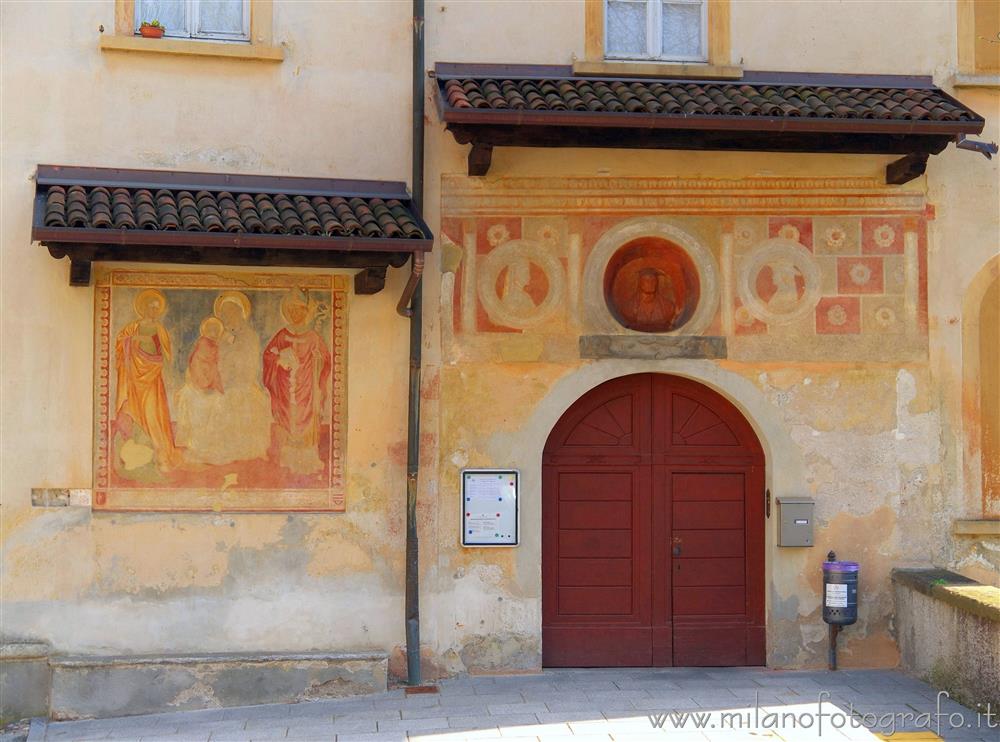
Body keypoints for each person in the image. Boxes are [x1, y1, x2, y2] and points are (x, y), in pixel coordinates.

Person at [262, 288, 331, 476]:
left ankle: (308, 458)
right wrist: (278, 361)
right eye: (291, 310)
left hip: (307, 388)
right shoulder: (282, 335)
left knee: (307, 417)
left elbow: (325, 360)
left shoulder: (313, 337)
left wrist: (319, 360)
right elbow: (268, 355)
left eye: (298, 309)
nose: (294, 313)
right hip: (285, 387)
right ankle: (289, 458)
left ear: (305, 311)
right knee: (288, 418)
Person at [114, 288, 181, 471]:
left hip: (152, 378)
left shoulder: (160, 329)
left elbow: (166, 356)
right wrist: (136, 338)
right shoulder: (132, 327)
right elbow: (120, 344)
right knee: (134, 411)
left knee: (152, 414)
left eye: (156, 308)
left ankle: (160, 454)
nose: (153, 311)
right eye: (150, 307)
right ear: (143, 308)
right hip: (134, 379)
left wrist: (162, 367)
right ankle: (137, 455)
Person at [209, 291, 272, 462]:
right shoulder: (221, 336)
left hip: (244, 381)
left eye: (231, 311)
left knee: (254, 401)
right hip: (224, 382)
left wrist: (235, 353)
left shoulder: (250, 335)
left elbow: (251, 362)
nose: (228, 315)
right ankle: (226, 449)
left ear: (240, 312)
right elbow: (215, 359)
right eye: (225, 313)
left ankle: (252, 449)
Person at [174, 317, 228, 463]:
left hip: (209, 387)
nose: (213, 333)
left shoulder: (216, 348)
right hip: (197, 387)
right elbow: (196, 368)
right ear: (204, 332)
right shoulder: (201, 346)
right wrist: (204, 383)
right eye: (210, 330)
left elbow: (216, 370)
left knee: (217, 408)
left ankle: (209, 449)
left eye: (216, 331)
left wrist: (217, 386)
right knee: (199, 411)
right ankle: (198, 449)